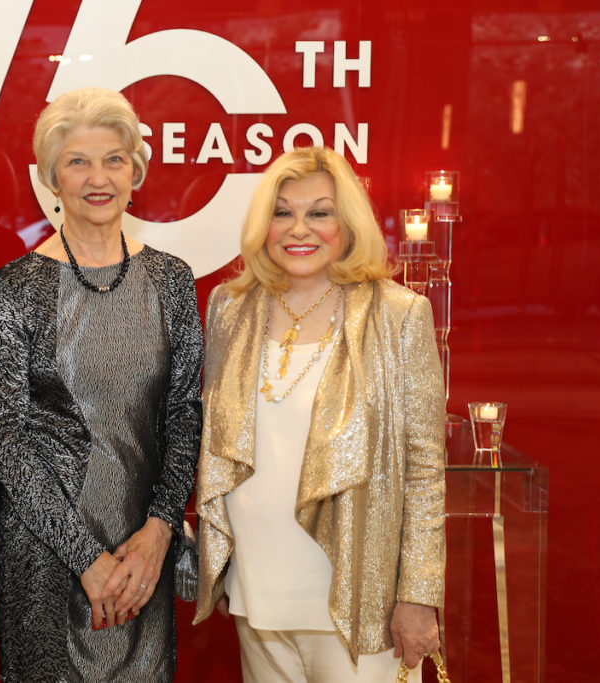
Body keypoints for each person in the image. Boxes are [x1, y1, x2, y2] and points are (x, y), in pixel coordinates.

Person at [193, 146, 446, 682]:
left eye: (320, 212)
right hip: (256, 590)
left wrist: (418, 594)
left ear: (348, 224)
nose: (298, 228)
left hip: (360, 603)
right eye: (282, 212)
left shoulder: (399, 314)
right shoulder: (229, 310)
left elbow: (425, 470)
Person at [0, 87, 203, 681]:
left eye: (113, 158)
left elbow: (184, 416)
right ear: (52, 178)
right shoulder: (17, 288)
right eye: (77, 161)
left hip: (142, 553)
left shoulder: (172, 282)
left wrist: (159, 532)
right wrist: (85, 558)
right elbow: (5, 438)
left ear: (136, 169)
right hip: (47, 556)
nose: (97, 176)